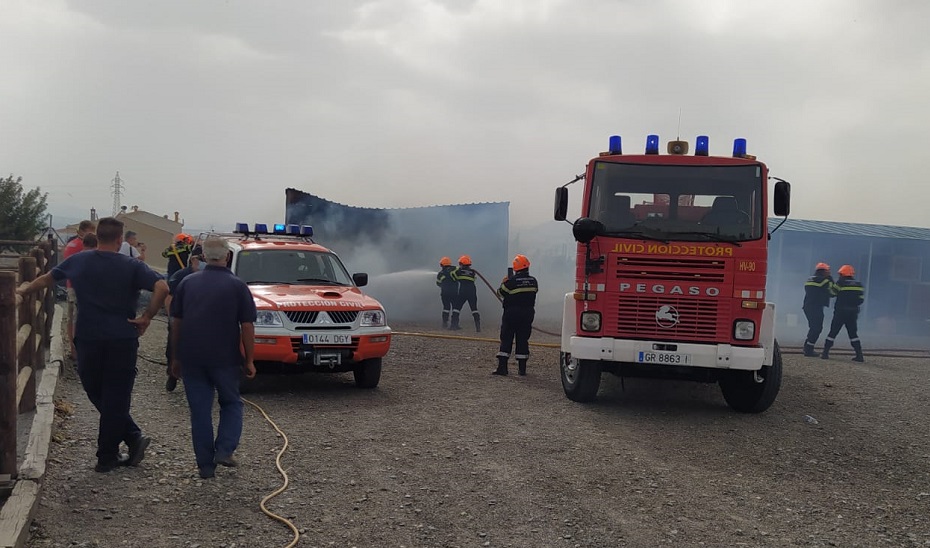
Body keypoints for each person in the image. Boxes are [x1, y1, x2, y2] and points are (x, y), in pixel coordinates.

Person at [17, 217, 169, 473]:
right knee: (116, 395)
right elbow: (162, 286)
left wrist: (23, 291)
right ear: (120, 240)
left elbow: (46, 279)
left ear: (97, 237)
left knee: (94, 388)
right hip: (122, 338)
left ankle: (112, 451)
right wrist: (147, 317)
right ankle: (125, 441)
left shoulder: (78, 260)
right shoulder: (131, 265)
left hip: (88, 337)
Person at [170, 235, 257, 479]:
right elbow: (247, 326)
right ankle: (225, 450)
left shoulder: (187, 283)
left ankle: (205, 467)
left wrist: (175, 358)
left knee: (199, 411)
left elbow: (177, 322)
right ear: (227, 256)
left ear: (204, 256)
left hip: (192, 357)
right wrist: (249, 359)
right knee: (231, 403)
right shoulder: (238, 286)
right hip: (225, 358)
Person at [164, 245, 204, 392]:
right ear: (193, 259)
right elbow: (169, 297)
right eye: (201, 259)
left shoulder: (211, 276)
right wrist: (171, 317)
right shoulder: (180, 276)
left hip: (200, 320)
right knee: (173, 347)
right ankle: (172, 374)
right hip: (181, 318)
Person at [493, 254, 538, 376]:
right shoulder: (533, 281)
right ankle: (522, 370)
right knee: (523, 339)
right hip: (527, 313)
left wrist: (504, 283)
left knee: (506, 338)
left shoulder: (511, 281)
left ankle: (503, 368)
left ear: (515, 268)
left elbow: (500, 293)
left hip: (512, 314)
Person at [63, 220, 96, 361]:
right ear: (82, 231)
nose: (92, 235)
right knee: (78, 319)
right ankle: (77, 351)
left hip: (71, 285)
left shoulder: (71, 244)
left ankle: (74, 349)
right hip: (78, 288)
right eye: (90, 232)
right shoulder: (79, 246)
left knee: (72, 318)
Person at [821, 264, 865, 362]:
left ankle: (825, 353)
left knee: (833, 332)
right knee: (853, 334)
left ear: (842, 273)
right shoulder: (858, 284)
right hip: (853, 313)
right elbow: (861, 300)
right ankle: (859, 355)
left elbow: (832, 294)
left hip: (840, 312)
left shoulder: (840, 282)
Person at [802, 262, 835, 357]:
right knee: (817, 328)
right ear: (824, 271)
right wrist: (831, 280)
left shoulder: (810, 279)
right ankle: (809, 350)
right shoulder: (825, 281)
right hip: (816, 307)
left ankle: (807, 346)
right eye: (828, 271)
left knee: (813, 327)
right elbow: (832, 293)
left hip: (807, 306)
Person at [450, 255, 480, 332]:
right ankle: (478, 328)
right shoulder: (473, 272)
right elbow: (473, 279)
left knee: (457, 308)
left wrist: (456, 269)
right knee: (474, 309)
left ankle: (453, 326)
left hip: (463, 292)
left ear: (461, 263)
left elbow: (453, 276)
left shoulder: (459, 271)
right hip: (472, 292)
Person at [435, 256, 458, 329]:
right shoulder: (455, 268)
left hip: (444, 293)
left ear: (441, 265)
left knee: (446, 308)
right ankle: (454, 324)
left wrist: (444, 286)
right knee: (455, 308)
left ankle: (444, 323)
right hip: (454, 293)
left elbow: (438, 283)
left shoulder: (440, 273)